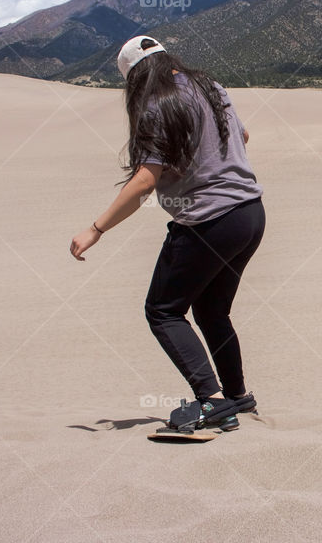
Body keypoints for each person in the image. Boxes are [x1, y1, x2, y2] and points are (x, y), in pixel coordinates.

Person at [70, 36, 265, 432]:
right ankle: (237, 396)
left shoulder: (156, 106)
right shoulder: (210, 87)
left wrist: (96, 229)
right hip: (249, 214)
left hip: (207, 222)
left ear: (135, 77)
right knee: (212, 311)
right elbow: (242, 138)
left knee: (163, 310)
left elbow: (144, 181)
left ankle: (210, 401)